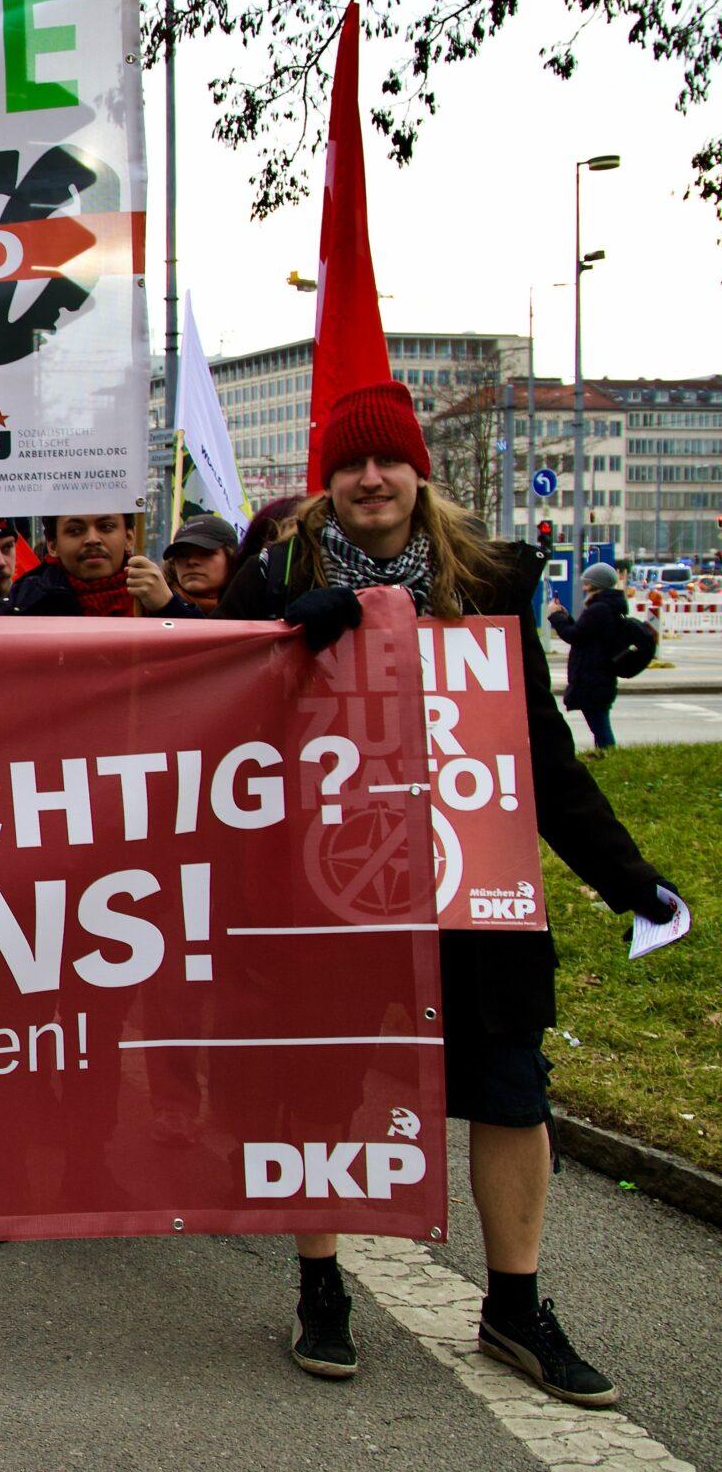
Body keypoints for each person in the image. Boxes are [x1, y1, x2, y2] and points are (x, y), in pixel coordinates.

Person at [218, 380, 681, 1407]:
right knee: (325, 1086)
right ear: (325, 480)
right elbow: (217, 738)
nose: (368, 478)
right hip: (329, 889)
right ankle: (321, 1285)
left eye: (385, 461)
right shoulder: (274, 577)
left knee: (512, 1089)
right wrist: (285, 644)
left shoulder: (494, 582)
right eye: (348, 464)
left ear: (417, 473)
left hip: (477, 879)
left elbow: (537, 754)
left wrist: (624, 874)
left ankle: (514, 1306)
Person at [5, 516, 196, 617]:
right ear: (53, 545)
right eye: (75, 530)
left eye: (106, 527)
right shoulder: (24, 605)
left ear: (129, 537)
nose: (92, 540)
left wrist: (169, 607)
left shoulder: (155, 596)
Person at [547, 562, 628, 750]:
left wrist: (555, 616)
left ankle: (608, 755)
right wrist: (566, 618)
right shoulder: (608, 606)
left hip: (593, 676)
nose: (583, 587)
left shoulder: (599, 609)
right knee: (599, 722)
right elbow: (585, 634)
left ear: (595, 584)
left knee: (599, 725)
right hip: (600, 675)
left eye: (587, 583)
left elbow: (574, 636)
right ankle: (605, 754)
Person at [160, 514, 240, 616]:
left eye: (206, 553)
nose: (191, 561)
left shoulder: (255, 607)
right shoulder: (149, 606)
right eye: (183, 555)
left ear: (231, 559)